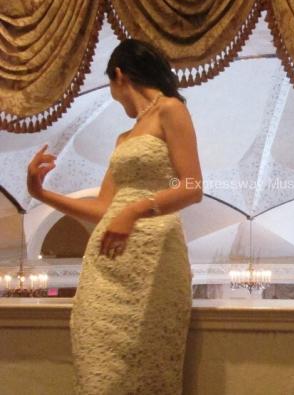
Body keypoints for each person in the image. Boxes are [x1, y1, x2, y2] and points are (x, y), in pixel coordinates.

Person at [26, 38, 203, 394]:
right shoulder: (124, 138)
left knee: (146, 369)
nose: (113, 95)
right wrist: (41, 194)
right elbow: (105, 207)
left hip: (154, 261)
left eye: (111, 85)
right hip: (106, 269)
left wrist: (135, 210)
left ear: (119, 76)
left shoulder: (171, 109)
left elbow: (192, 187)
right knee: (97, 374)